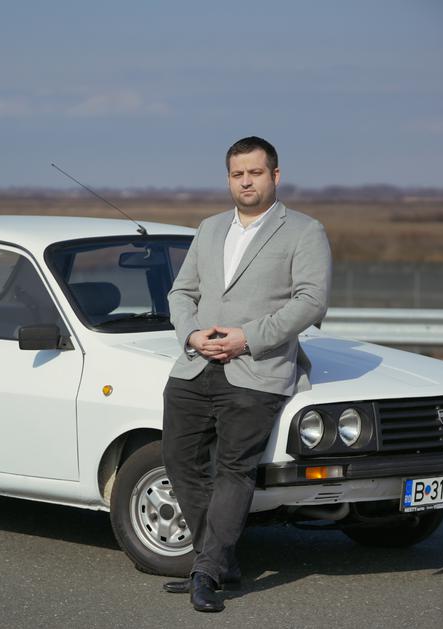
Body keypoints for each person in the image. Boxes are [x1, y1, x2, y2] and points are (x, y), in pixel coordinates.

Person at [161, 136, 332, 612]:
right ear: (229, 179)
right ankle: (219, 562)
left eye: (255, 173)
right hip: (195, 365)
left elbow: (311, 301)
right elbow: (181, 293)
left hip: (257, 369)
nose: (246, 182)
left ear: (275, 176)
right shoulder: (210, 228)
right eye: (238, 174)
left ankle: (206, 572)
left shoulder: (305, 231)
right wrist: (192, 334)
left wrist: (247, 338)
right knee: (178, 460)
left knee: (234, 469)